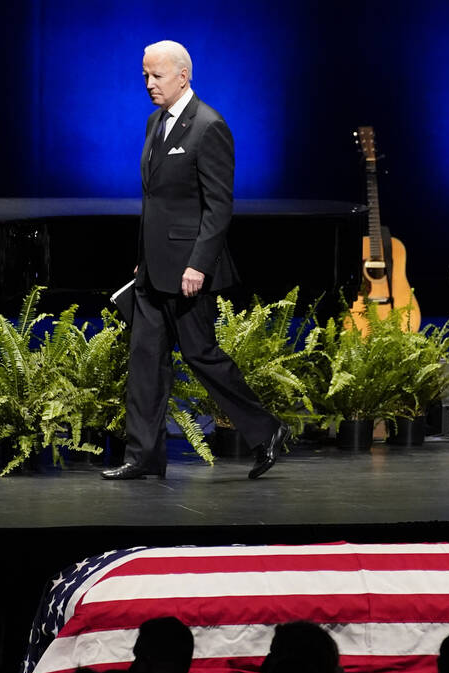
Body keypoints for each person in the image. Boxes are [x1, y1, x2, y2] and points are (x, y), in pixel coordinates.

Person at [102, 40, 287, 480]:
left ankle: (268, 430)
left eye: (157, 76)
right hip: (152, 270)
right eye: (145, 76)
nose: (149, 84)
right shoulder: (155, 122)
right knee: (145, 361)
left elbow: (218, 206)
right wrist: (142, 258)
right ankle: (143, 455)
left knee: (202, 356)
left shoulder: (209, 126)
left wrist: (198, 264)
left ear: (183, 75)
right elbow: (158, 201)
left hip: (189, 272)